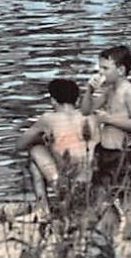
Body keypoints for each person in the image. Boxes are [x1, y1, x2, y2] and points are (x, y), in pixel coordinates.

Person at [82, 45, 131, 239]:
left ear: (121, 70)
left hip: (122, 153)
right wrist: (89, 90)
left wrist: (108, 119)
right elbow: (86, 110)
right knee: (98, 192)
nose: (101, 72)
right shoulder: (108, 90)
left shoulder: (129, 92)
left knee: (126, 196)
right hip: (105, 151)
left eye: (105, 68)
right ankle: (103, 229)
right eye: (100, 68)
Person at [16, 77, 96, 214]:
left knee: (35, 150)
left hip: (65, 185)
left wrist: (42, 139)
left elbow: (20, 144)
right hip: (92, 183)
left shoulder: (48, 118)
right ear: (77, 100)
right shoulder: (90, 117)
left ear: (53, 100)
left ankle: (42, 208)